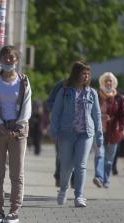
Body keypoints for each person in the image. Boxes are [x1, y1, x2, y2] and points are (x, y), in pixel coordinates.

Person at [0, 45, 32, 223]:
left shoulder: (23, 81)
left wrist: (19, 126)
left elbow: (27, 107)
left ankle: (14, 210)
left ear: (17, 60)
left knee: (16, 173)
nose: (9, 60)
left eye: (12, 57)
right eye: (6, 57)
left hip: (18, 131)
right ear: (0, 60)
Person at [50, 61, 103, 207]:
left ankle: (79, 196)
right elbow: (56, 112)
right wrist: (53, 131)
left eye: (88, 74)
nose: (86, 76)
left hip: (86, 134)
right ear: (76, 74)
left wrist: (99, 136)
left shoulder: (92, 93)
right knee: (66, 166)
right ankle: (63, 190)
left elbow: (97, 115)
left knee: (81, 165)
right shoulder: (65, 91)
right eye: (83, 73)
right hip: (66, 133)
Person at [92, 72, 124, 189]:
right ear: (102, 82)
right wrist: (100, 116)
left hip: (114, 132)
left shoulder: (119, 98)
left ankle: (106, 179)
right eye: (106, 80)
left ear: (114, 83)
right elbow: (90, 111)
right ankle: (99, 177)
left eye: (110, 81)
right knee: (99, 154)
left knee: (109, 159)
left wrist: (122, 129)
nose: (108, 82)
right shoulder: (96, 95)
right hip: (99, 131)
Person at [47, 80, 75, 188]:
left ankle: (74, 179)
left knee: (77, 155)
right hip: (61, 127)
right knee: (61, 154)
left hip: (79, 128)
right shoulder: (61, 85)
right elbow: (50, 103)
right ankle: (59, 176)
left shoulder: (85, 88)